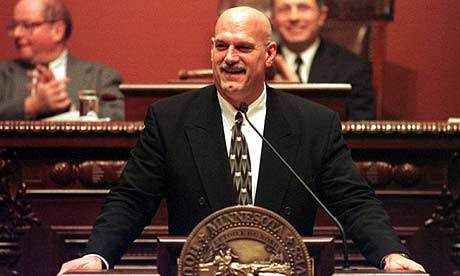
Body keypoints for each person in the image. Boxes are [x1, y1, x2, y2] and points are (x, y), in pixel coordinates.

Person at [58, 6, 425, 274]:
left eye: (243, 48)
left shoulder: (313, 124)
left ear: (269, 55)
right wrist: (97, 256)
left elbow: (354, 202)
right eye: (222, 46)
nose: (229, 58)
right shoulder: (170, 119)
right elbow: (132, 199)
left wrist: (390, 254)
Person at [0, 0, 124, 120]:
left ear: (57, 31)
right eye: (14, 26)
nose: (16, 33)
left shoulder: (101, 77)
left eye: (27, 26)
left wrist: (70, 109)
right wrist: (30, 106)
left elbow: (121, 117)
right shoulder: (3, 74)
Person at [270, 0, 375, 121]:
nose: (294, 17)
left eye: (303, 8)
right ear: (273, 18)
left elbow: (359, 134)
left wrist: (296, 96)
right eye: (284, 9)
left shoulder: (353, 68)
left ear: (322, 15)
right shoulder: (259, 65)